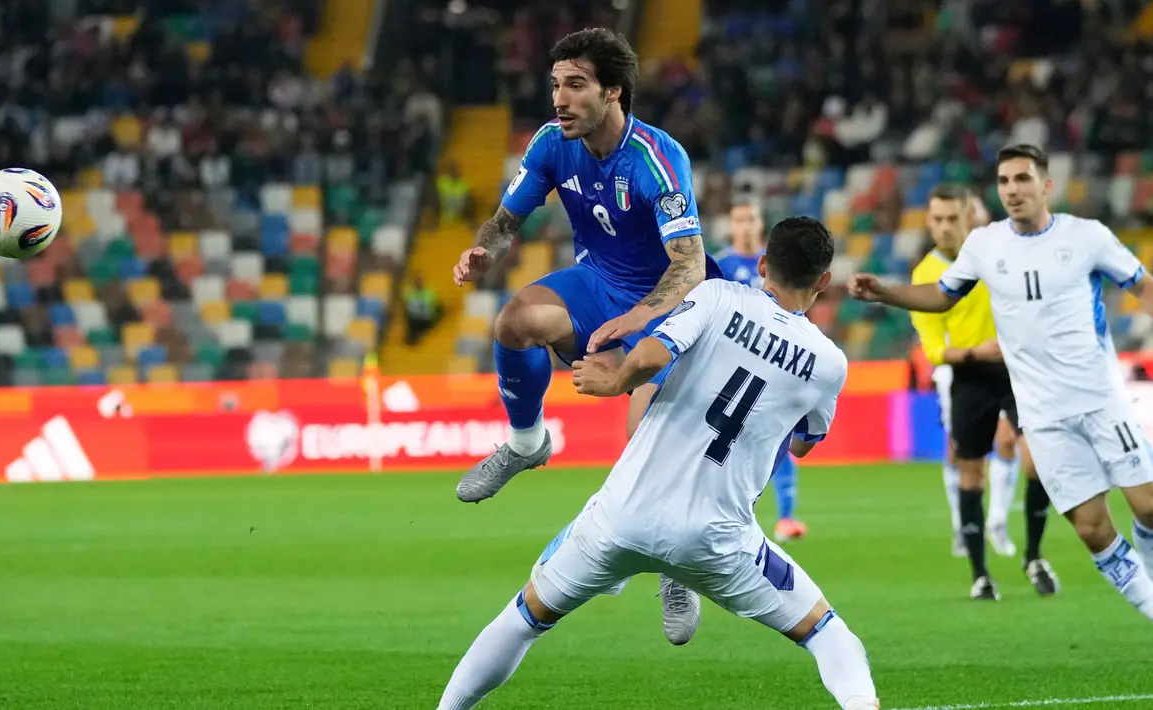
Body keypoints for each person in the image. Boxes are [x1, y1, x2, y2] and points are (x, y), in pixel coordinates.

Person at [437, 217, 879, 710]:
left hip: (621, 519)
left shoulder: (716, 296)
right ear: (823, 281)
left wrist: (617, 378)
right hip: (718, 541)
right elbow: (802, 445)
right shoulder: (829, 363)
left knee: (522, 620)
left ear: (761, 264)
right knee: (829, 635)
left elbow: (651, 352)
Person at [451, 28, 719, 645]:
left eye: (575, 86)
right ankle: (526, 443)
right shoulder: (552, 143)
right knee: (514, 321)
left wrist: (638, 318)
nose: (560, 100)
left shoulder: (657, 156)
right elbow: (504, 219)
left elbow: (690, 264)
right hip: (598, 283)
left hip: (670, 302)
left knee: (645, 443)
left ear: (613, 92)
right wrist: (483, 250)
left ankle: (673, 568)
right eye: (555, 86)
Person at [850, 144, 1153, 620]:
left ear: (1046, 185)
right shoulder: (985, 244)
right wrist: (886, 293)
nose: (1012, 190)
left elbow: (1142, 284)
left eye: (1022, 179)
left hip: (1100, 397)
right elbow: (942, 294)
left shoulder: (1087, 236)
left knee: (1149, 508)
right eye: (1004, 181)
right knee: (1093, 530)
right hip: (1042, 413)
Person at [910, 184, 1058, 599]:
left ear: (968, 217)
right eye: (936, 220)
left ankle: (1033, 554)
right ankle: (981, 575)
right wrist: (975, 351)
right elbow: (934, 349)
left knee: (1038, 461)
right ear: (928, 222)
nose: (943, 227)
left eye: (952, 218)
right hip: (971, 376)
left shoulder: (997, 253)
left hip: (1017, 372)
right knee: (970, 473)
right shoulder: (924, 275)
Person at [710, 197, 806, 543]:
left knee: (777, 439)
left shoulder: (777, 266)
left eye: (751, 219)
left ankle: (786, 517)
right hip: (727, 372)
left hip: (773, 370)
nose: (746, 226)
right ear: (731, 226)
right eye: (739, 220)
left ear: (760, 223)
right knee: (724, 444)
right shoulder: (719, 265)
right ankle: (721, 516)